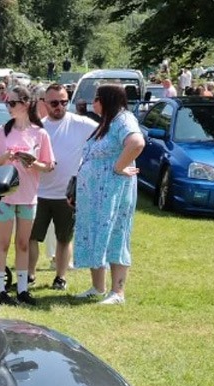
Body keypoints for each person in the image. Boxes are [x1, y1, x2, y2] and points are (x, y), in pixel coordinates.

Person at [73, 84, 145, 305]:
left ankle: (118, 292)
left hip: (112, 192)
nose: (93, 103)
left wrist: (118, 167)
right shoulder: (108, 122)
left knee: (115, 234)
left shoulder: (124, 120)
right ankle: (97, 287)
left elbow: (136, 142)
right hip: (95, 195)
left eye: (97, 98)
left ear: (108, 100)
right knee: (96, 234)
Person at [0, 84, 55, 306]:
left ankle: (23, 289)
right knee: (3, 243)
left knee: (24, 243)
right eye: (7, 102)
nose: (9, 107)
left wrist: (31, 161)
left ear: (26, 104)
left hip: (28, 195)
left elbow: (48, 165)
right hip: (5, 195)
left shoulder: (40, 133)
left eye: (13, 103)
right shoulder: (1, 132)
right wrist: (6, 156)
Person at [28, 82, 95, 292]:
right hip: (38, 192)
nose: (59, 106)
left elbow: (108, 136)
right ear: (44, 103)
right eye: (54, 102)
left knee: (64, 239)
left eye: (64, 102)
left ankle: (60, 277)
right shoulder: (38, 127)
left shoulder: (81, 123)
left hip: (67, 195)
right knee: (31, 237)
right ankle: (29, 275)